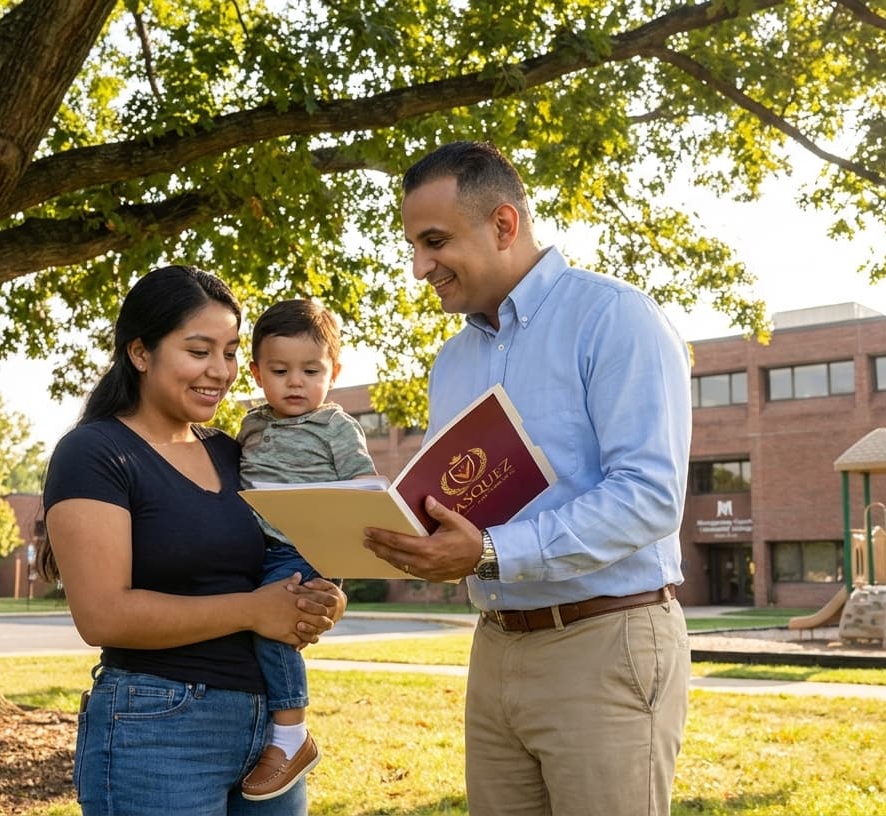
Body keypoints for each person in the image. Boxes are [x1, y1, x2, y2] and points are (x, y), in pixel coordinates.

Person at [362, 141, 693, 816]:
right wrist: (415, 541)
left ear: (504, 225)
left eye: (433, 242)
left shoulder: (614, 317)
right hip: (496, 647)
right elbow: (454, 499)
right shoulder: (451, 363)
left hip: (607, 642)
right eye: (413, 247)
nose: (420, 267)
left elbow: (650, 496)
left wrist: (487, 551)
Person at [41, 265, 346, 815]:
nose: (221, 371)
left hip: (268, 734)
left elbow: (280, 561)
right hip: (158, 727)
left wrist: (318, 599)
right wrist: (254, 611)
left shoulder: (237, 451)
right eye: (200, 350)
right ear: (140, 352)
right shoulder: (95, 454)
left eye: (230, 352)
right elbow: (103, 616)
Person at [235, 299, 378, 800]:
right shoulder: (251, 425)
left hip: (309, 548)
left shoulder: (336, 425)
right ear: (255, 372)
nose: (295, 382)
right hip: (260, 547)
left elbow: (363, 484)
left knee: (277, 627)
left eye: (311, 370)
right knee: (254, 620)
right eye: (279, 370)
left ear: (334, 371)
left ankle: (292, 734)